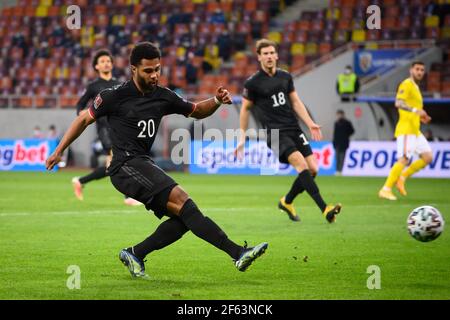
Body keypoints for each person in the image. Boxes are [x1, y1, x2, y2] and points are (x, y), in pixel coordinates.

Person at [46, 42, 268, 278]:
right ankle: (237, 253)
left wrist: (215, 101)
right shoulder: (113, 96)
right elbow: (82, 120)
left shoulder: (163, 96)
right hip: (124, 166)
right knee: (184, 201)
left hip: (142, 163)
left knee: (185, 218)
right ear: (134, 69)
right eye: (148, 71)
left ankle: (136, 253)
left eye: (157, 69)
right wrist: (59, 150)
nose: (154, 75)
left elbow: (195, 110)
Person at [235, 39, 342, 223]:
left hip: (294, 128)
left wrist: (310, 123)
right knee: (301, 165)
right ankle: (325, 209)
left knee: (313, 169)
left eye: (271, 53)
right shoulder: (253, 83)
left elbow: (295, 102)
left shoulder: (285, 77)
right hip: (276, 134)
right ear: (259, 57)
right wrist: (242, 137)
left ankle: (287, 201)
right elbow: (245, 109)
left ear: (276, 55)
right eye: (265, 54)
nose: (269, 56)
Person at [72, 49, 141, 206]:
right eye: (102, 61)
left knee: (113, 166)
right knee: (120, 160)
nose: (106, 63)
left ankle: (80, 181)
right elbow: (80, 105)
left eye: (108, 61)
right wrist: (82, 113)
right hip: (104, 129)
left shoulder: (119, 84)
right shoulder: (93, 86)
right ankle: (128, 197)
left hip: (119, 128)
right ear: (96, 66)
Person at [379, 61, 432, 200]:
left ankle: (402, 177)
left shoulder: (416, 87)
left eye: (422, 69)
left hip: (415, 129)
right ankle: (385, 189)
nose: (420, 72)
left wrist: (421, 116)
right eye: (417, 69)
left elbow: (414, 109)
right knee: (404, 159)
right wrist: (415, 110)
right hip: (406, 129)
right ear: (411, 70)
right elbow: (399, 103)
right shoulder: (407, 84)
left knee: (428, 157)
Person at [332, 110, 354, 175]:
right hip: (337, 143)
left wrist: (346, 135)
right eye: (338, 114)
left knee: (342, 158)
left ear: (343, 115)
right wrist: (334, 142)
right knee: (337, 157)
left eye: (339, 114)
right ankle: (337, 170)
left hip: (344, 143)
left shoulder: (347, 123)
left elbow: (352, 131)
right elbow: (335, 134)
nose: (338, 116)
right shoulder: (336, 123)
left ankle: (340, 171)